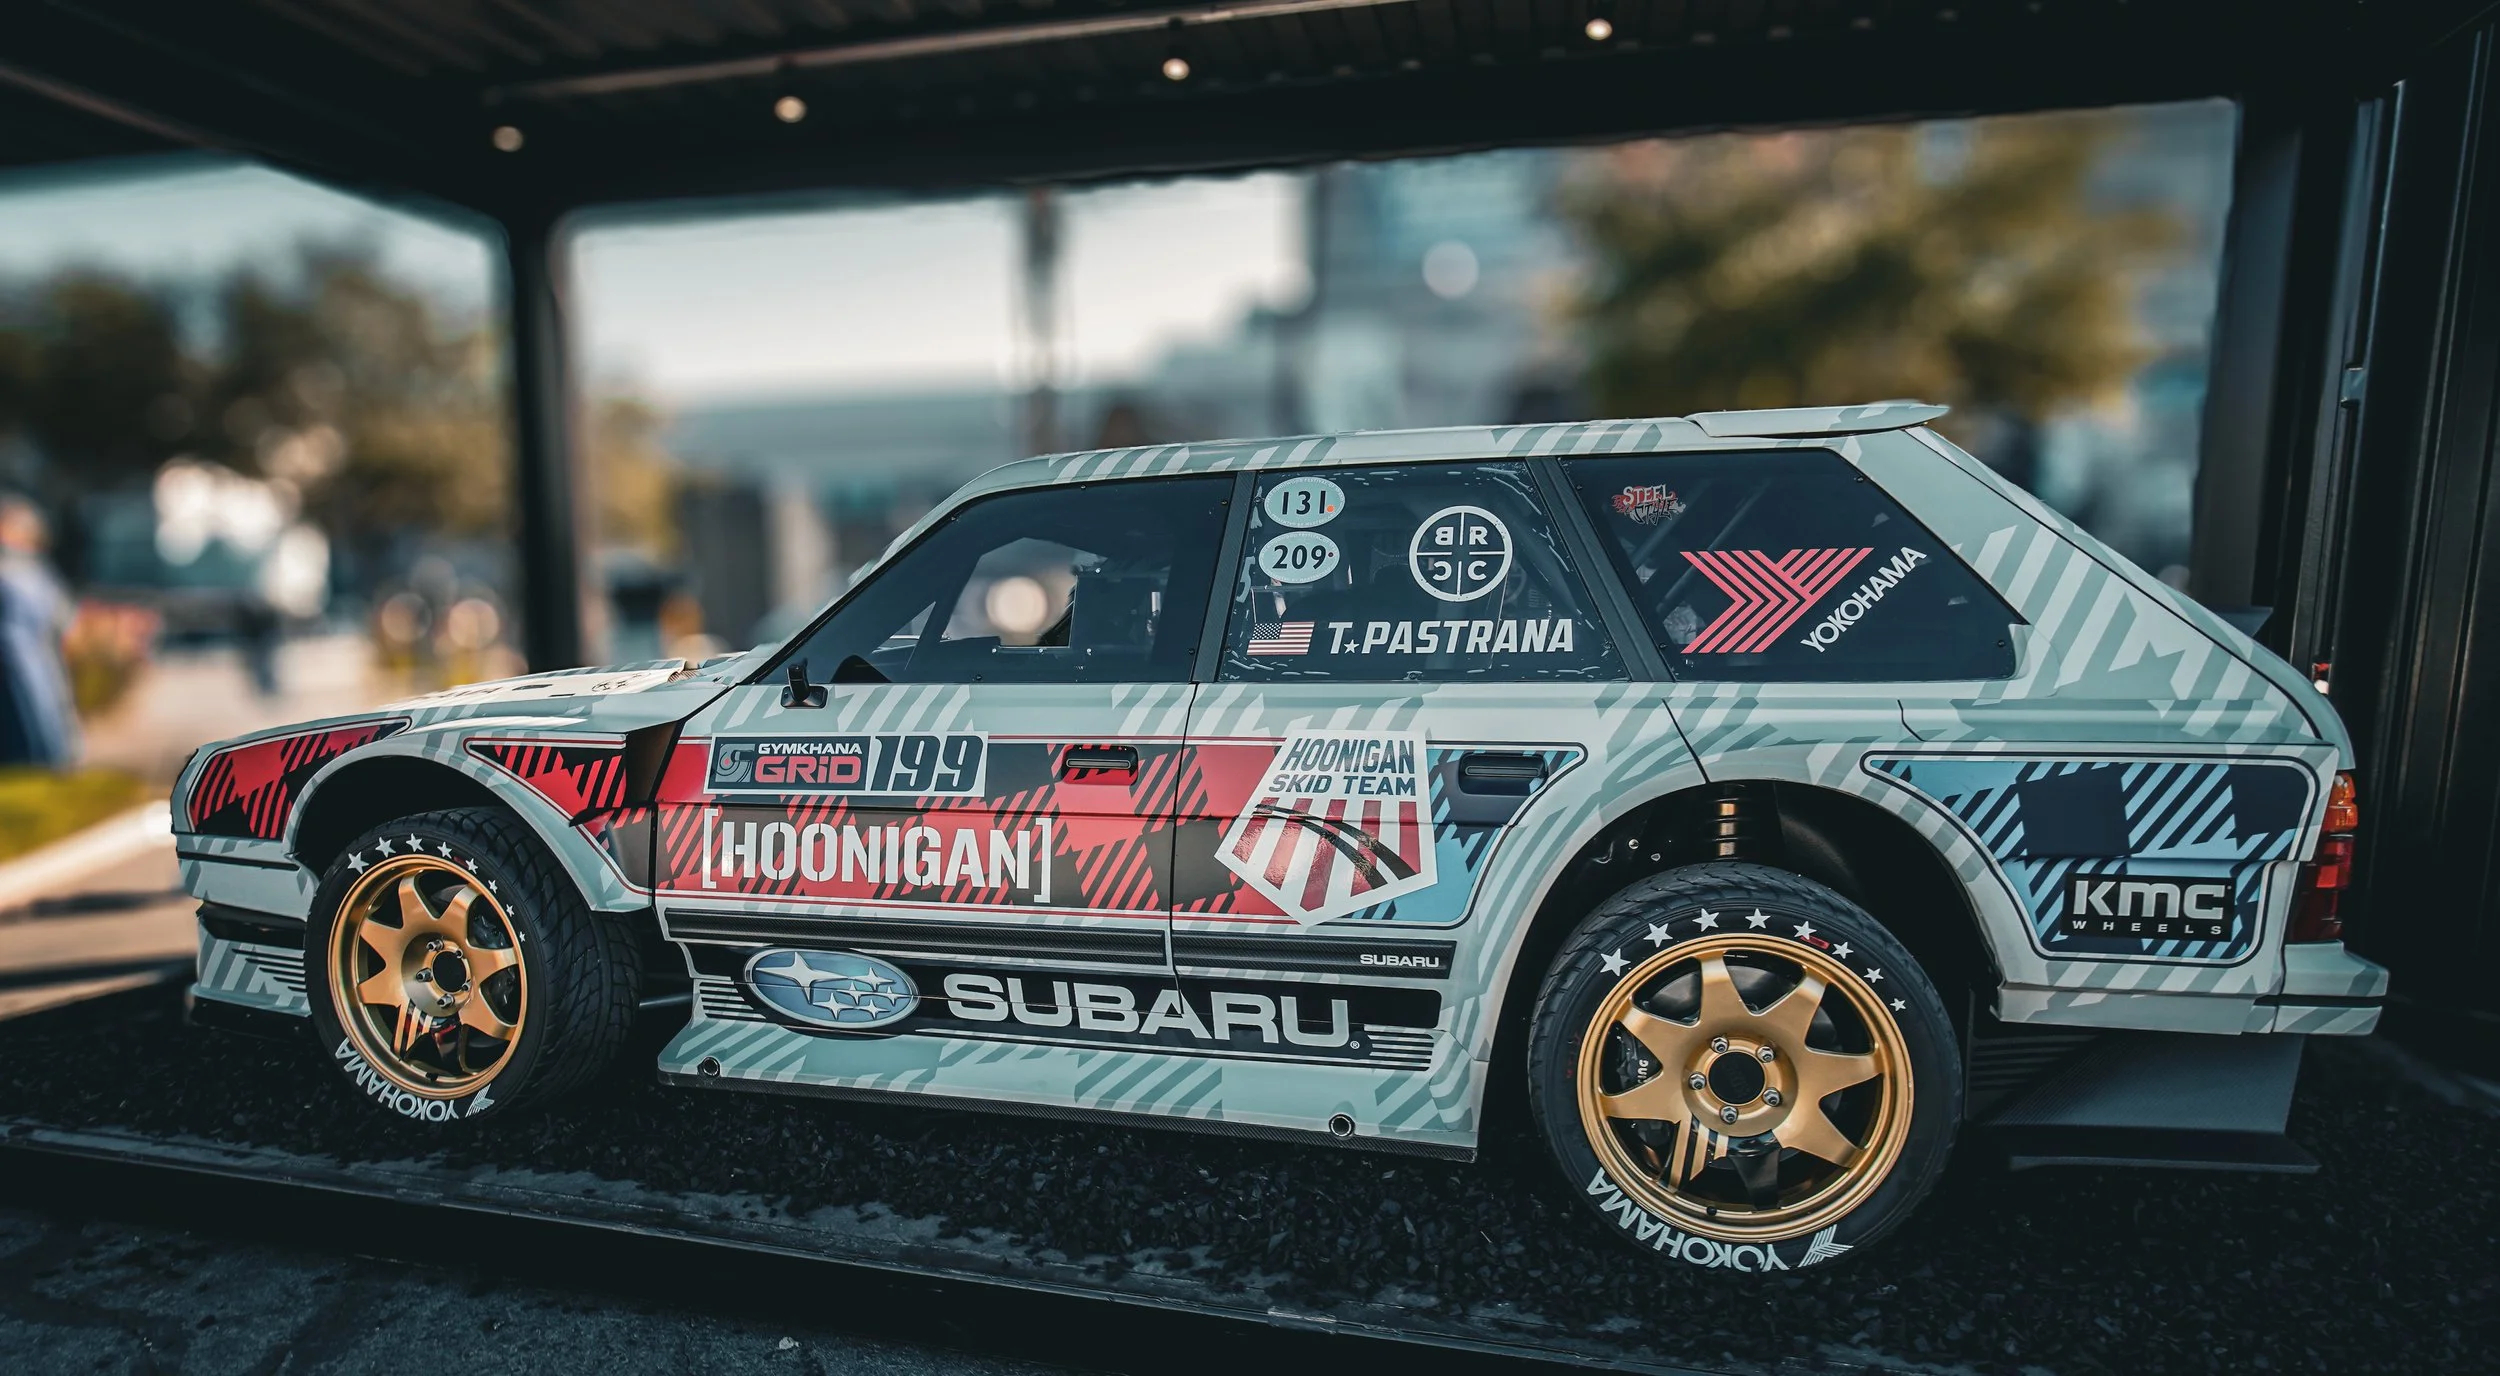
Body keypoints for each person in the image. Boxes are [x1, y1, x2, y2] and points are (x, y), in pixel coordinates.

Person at [0, 495, 82, 767]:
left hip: (32, 672)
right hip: (36, 673)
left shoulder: (23, 575)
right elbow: (66, 622)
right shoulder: (34, 575)